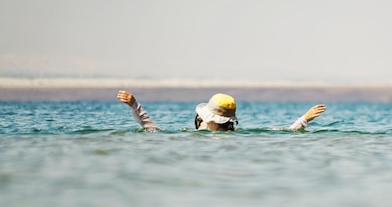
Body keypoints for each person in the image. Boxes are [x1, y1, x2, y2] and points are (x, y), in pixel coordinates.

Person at [116, 90, 326, 132]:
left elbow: (154, 132)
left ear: (203, 117)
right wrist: (303, 120)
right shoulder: (241, 136)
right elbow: (283, 134)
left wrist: (136, 106)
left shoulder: (194, 136)